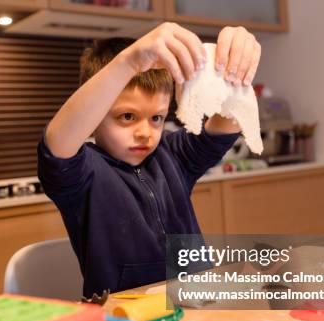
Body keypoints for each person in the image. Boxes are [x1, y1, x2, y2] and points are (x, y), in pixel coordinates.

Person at [38, 23, 261, 297]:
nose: (145, 133)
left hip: (197, 305)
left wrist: (234, 70)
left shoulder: (173, 156)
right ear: (95, 119)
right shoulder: (82, 175)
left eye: (156, 118)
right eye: (127, 117)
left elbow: (228, 122)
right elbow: (58, 142)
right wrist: (129, 62)